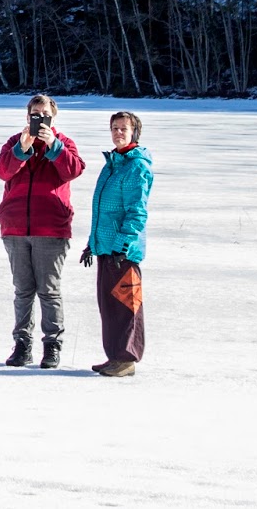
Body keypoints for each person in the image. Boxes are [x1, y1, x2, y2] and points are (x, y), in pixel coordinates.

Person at [0, 93, 84, 369]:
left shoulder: (63, 143)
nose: (40, 120)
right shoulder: (15, 142)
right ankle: (22, 344)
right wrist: (22, 148)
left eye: (45, 116)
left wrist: (53, 145)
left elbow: (73, 170)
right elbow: (1, 170)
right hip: (16, 227)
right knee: (23, 291)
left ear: (53, 118)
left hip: (51, 228)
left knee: (49, 291)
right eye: (35, 115)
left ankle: (52, 345)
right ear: (27, 116)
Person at [79, 109, 154, 378]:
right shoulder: (112, 164)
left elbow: (137, 212)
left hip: (124, 252)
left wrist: (123, 244)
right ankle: (115, 357)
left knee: (126, 306)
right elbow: (103, 211)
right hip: (106, 248)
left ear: (134, 132)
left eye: (124, 128)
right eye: (114, 128)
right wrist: (93, 244)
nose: (118, 132)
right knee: (109, 308)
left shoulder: (137, 166)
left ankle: (126, 359)